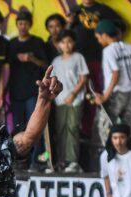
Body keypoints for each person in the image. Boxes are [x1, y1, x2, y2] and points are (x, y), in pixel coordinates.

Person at [93, 21, 131, 163]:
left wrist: (104, 96)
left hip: (117, 94)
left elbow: (115, 73)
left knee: (104, 127)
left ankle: (111, 158)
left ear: (105, 35)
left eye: (98, 37)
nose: (99, 40)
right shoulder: (129, 47)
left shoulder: (108, 51)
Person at [7, 9, 49, 168]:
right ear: (17, 25)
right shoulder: (11, 44)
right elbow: (4, 68)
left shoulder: (37, 42)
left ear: (30, 25)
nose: (22, 26)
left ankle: (36, 162)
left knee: (35, 129)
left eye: (25, 23)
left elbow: (46, 65)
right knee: (18, 129)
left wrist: (31, 58)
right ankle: (19, 162)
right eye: (20, 23)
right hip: (16, 93)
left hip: (33, 92)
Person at [49, 30, 89, 172]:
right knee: (61, 130)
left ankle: (73, 162)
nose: (67, 45)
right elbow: (52, 81)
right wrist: (53, 95)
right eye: (63, 42)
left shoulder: (78, 57)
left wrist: (73, 94)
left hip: (75, 100)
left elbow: (84, 78)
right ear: (59, 45)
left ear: (74, 43)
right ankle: (62, 161)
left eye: (69, 41)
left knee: (72, 128)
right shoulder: (56, 61)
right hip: (60, 101)